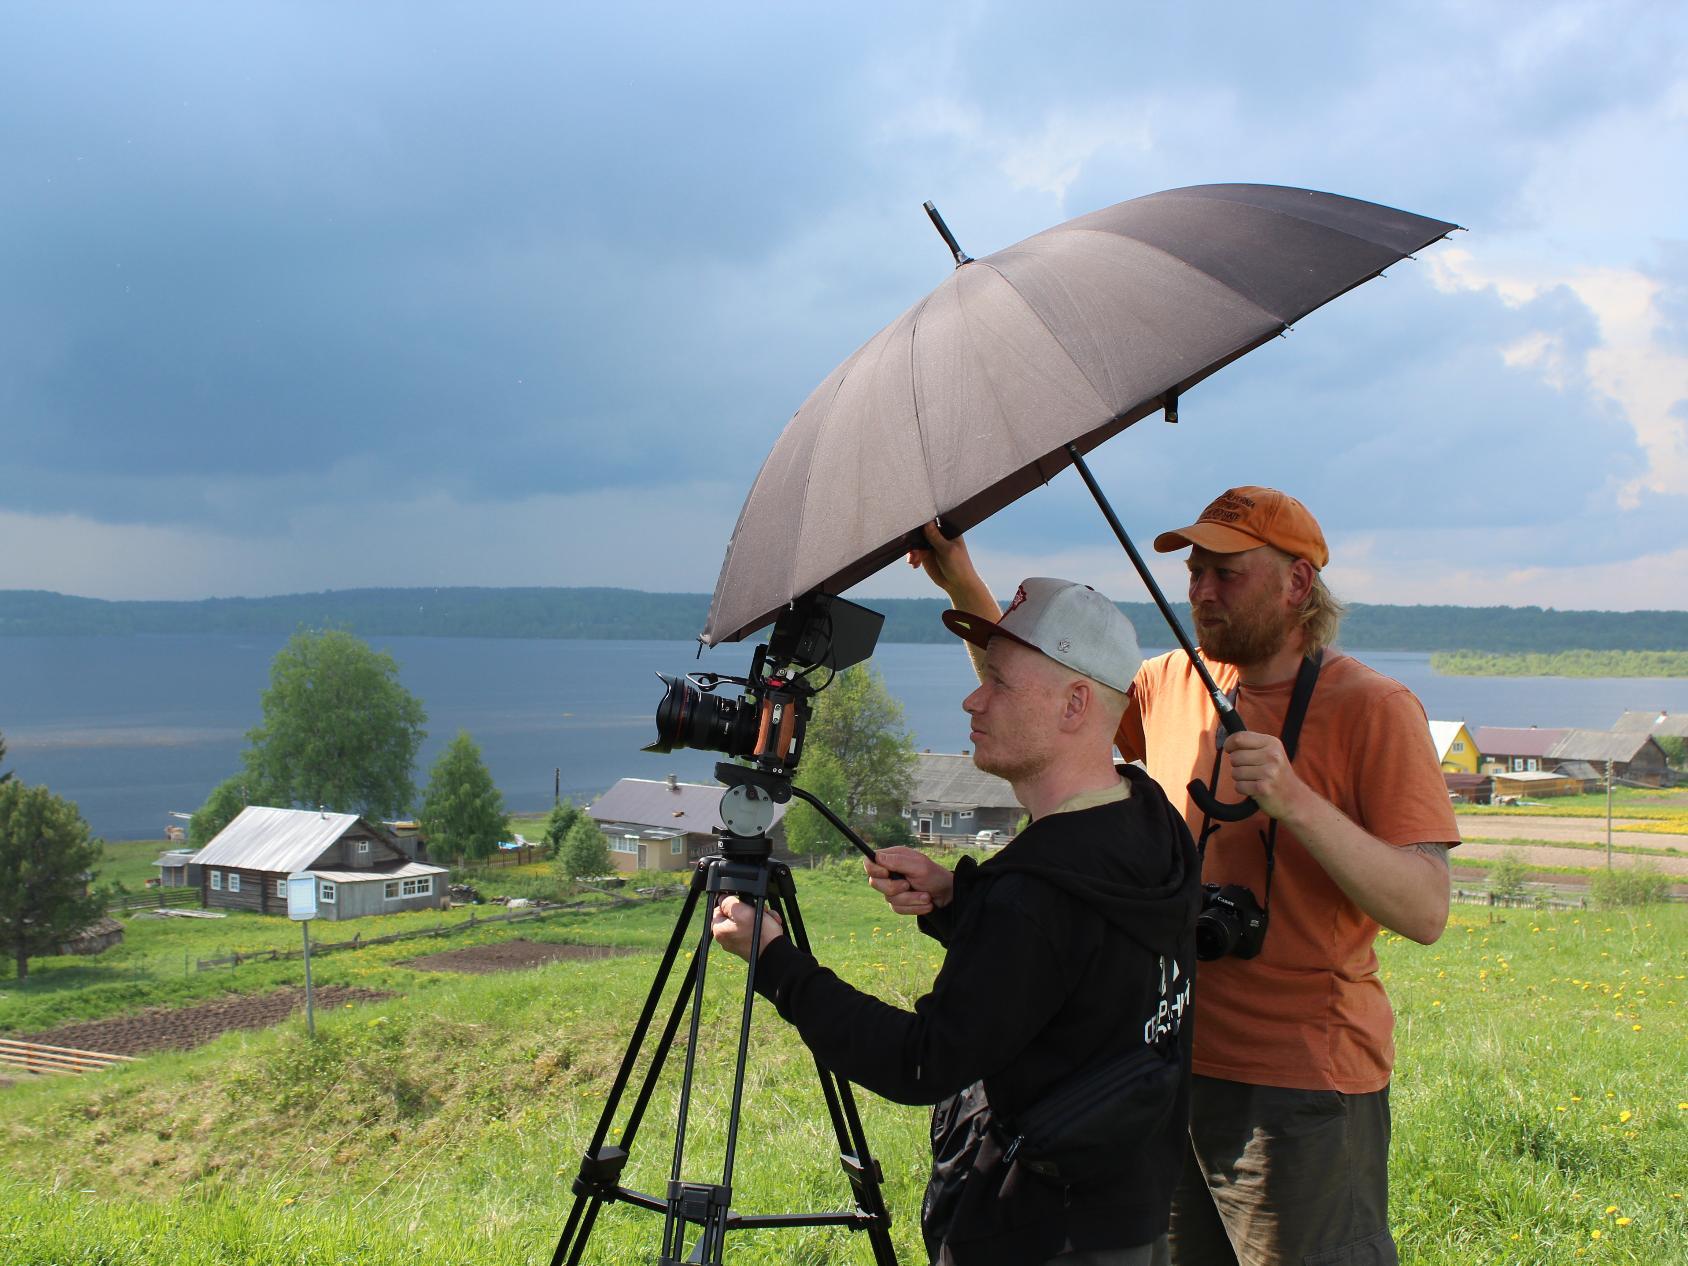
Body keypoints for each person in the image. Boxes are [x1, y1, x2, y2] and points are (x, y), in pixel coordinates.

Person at [902, 488, 1458, 1266]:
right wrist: (962, 583)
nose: (1199, 590)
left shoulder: (1375, 708)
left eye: (1225, 574)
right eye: (1195, 572)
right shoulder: (1172, 681)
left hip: (1297, 1090)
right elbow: (1046, 707)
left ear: (1298, 585)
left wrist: (1295, 801)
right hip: (1152, 1068)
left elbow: (1427, 908)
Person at [711, 578, 1200, 1266]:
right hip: (1128, 1205)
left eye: (998, 683)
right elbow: (1080, 959)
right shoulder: (1151, 818)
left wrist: (777, 964)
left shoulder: (1034, 890)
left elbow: (921, 1062)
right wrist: (956, 899)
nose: (974, 699)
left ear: (1075, 704)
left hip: (1036, 1230)